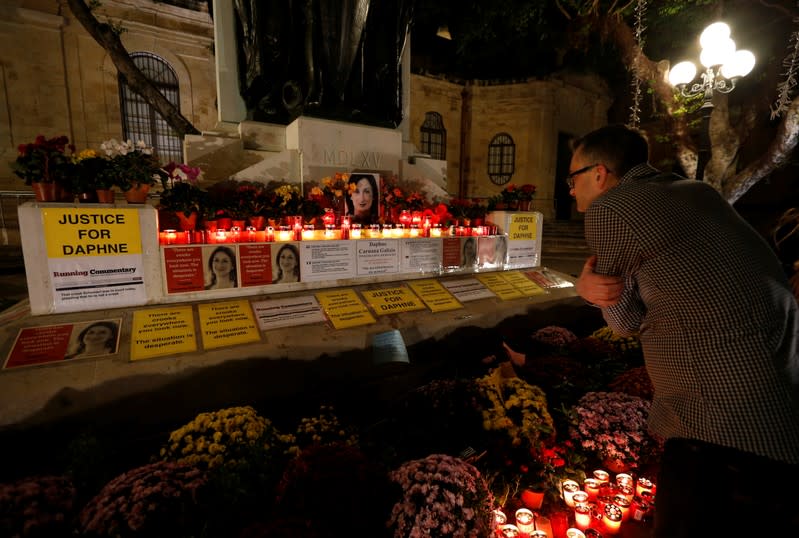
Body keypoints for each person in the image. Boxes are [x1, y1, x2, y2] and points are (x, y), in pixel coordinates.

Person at [569, 124, 799, 536]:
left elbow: (622, 320)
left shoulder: (612, 208)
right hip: (780, 392)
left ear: (599, 174)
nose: (570, 189)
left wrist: (586, 289)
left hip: (717, 418)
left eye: (573, 178)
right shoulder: (697, 191)